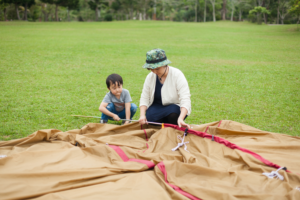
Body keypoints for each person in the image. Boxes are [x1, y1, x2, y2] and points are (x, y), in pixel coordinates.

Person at [139, 48, 191, 128]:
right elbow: (144, 97)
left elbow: (185, 98)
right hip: (157, 107)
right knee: (150, 118)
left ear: (165, 65)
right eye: (151, 69)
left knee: (173, 116)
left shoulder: (177, 75)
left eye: (157, 69)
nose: (154, 71)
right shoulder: (150, 77)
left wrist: (181, 118)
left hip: (173, 107)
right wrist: (142, 115)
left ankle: (174, 122)